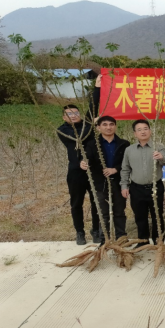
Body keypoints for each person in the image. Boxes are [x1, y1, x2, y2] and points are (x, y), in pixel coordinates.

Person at [57, 74, 101, 245]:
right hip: (76, 171)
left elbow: (93, 107)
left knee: (96, 201)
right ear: (64, 117)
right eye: (69, 114)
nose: (74, 115)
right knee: (76, 203)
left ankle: (96, 230)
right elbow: (79, 137)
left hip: (93, 169)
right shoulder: (63, 130)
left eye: (76, 113)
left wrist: (97, 87)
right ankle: (80, 232)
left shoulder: (87, 123)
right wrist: (92, 124)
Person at [80, 116, 130, 244]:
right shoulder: (92, 144)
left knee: (119, 211)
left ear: (115, 126)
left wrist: (115, 169)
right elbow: (87, 159)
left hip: (118, 182)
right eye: (105, 124)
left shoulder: (124, 144)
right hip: (100, 183)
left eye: (111, 124)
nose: (108, 127)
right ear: (98, 127)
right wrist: (83, 163)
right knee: (103, 213)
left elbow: (127, 163)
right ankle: (104, 241)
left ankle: (121, 238)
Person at [120, 119, 165, 248]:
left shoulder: (158, 146)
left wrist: (161, 157)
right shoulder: (129, 150)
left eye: (145, 128)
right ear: (135, 133)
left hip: (155, 187)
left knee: (157, 215)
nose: (143, 132)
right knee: (140, 216)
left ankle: (159, 241)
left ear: (150, 131)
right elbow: (125, 169)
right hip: (136, 188)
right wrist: (124, 186)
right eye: (139, 130)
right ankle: (143, 241)